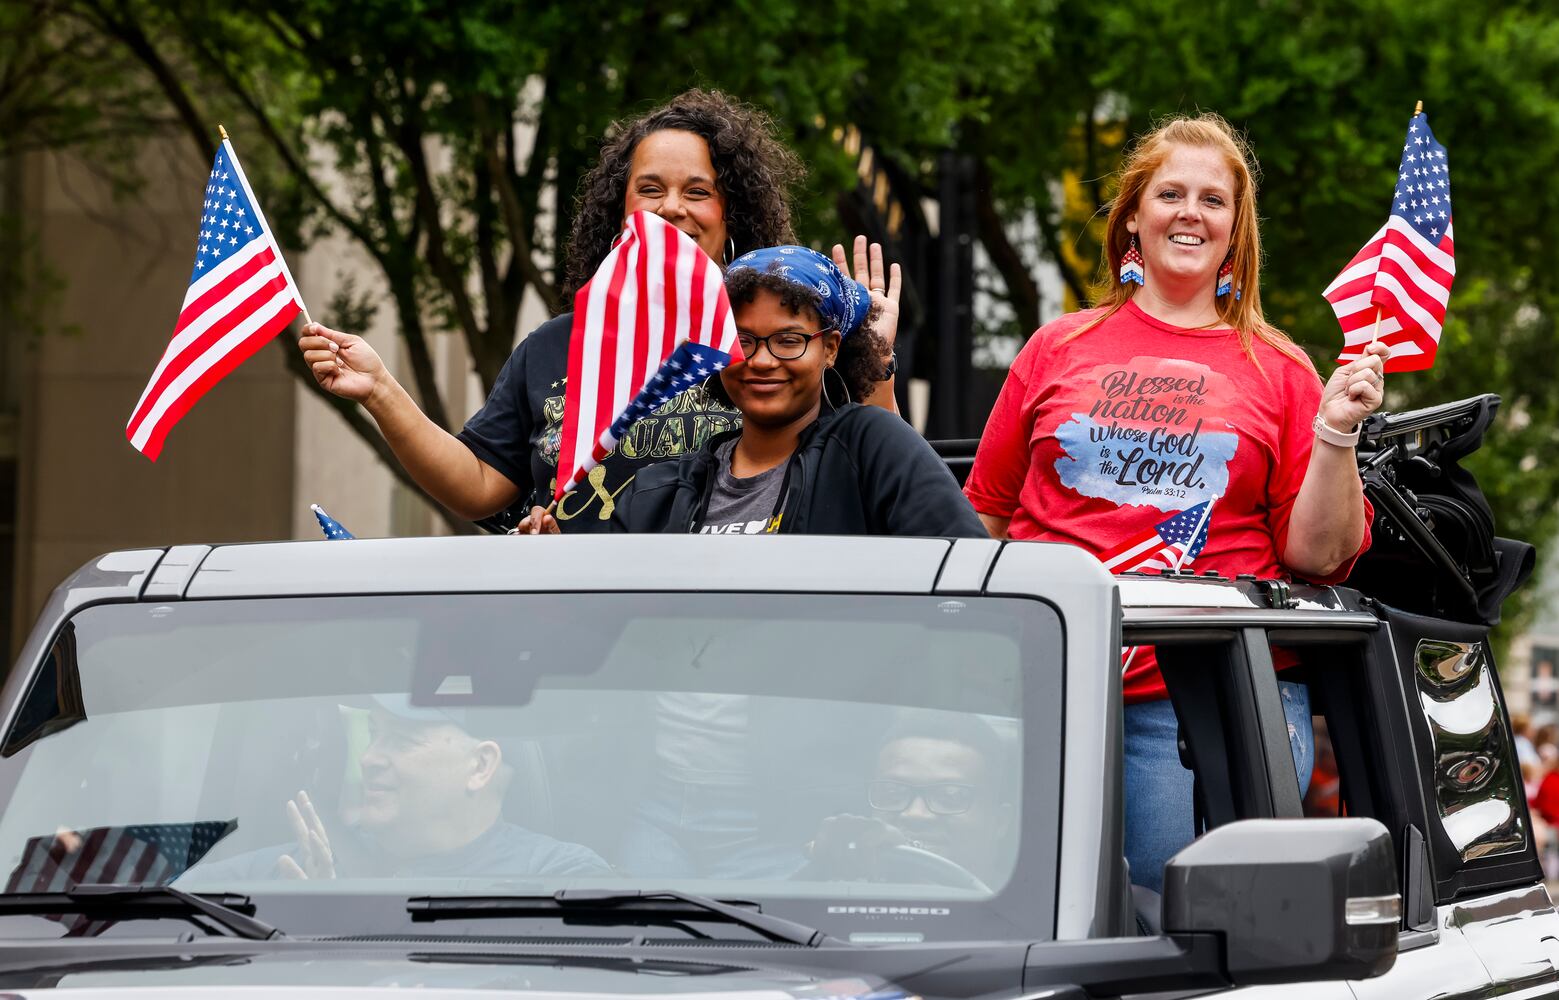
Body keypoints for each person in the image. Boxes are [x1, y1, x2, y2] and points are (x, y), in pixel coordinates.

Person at [962, 113, 1388, 892]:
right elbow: (980, 521)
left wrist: (1335, 432)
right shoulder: (1054, 347)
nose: (1190, 213)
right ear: (1132, 216)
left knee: (1171, 925)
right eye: (1169, 194)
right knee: (1011, 913)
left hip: (1200, 707)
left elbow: (1318, 556)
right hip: (1039, 687)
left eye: (1212, 200)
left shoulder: (1282, 369)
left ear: (1234, 230)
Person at [297, 89, 896, 533]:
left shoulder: (780, 342)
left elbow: (876, 472)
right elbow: (478, 485)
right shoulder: (555, 346)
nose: (671, 209)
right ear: (620, 210)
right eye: (650, 190)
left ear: (731, 214)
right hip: (581, 627)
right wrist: (381, 390)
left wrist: (874, 357)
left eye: (698, 191)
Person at [599, 245, 985, 537]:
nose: (762, 360)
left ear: (830, 349)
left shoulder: (874, 446)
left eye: (788, 340)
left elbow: (963, 569)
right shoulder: (654, 494)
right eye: (743, 340)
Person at [185, 697, 610, 881]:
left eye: (403, 740)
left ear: (480, 766)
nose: (370, 758)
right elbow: (168, 911)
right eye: (374, 735)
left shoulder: (557, 878)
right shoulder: (303, 867)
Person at [802, 714, 1016, 890]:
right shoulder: (837, 893)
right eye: (892, 792)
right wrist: (820, 873)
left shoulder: (1029, 913)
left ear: (1000, 822)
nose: (915, 814)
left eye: (950, 796)